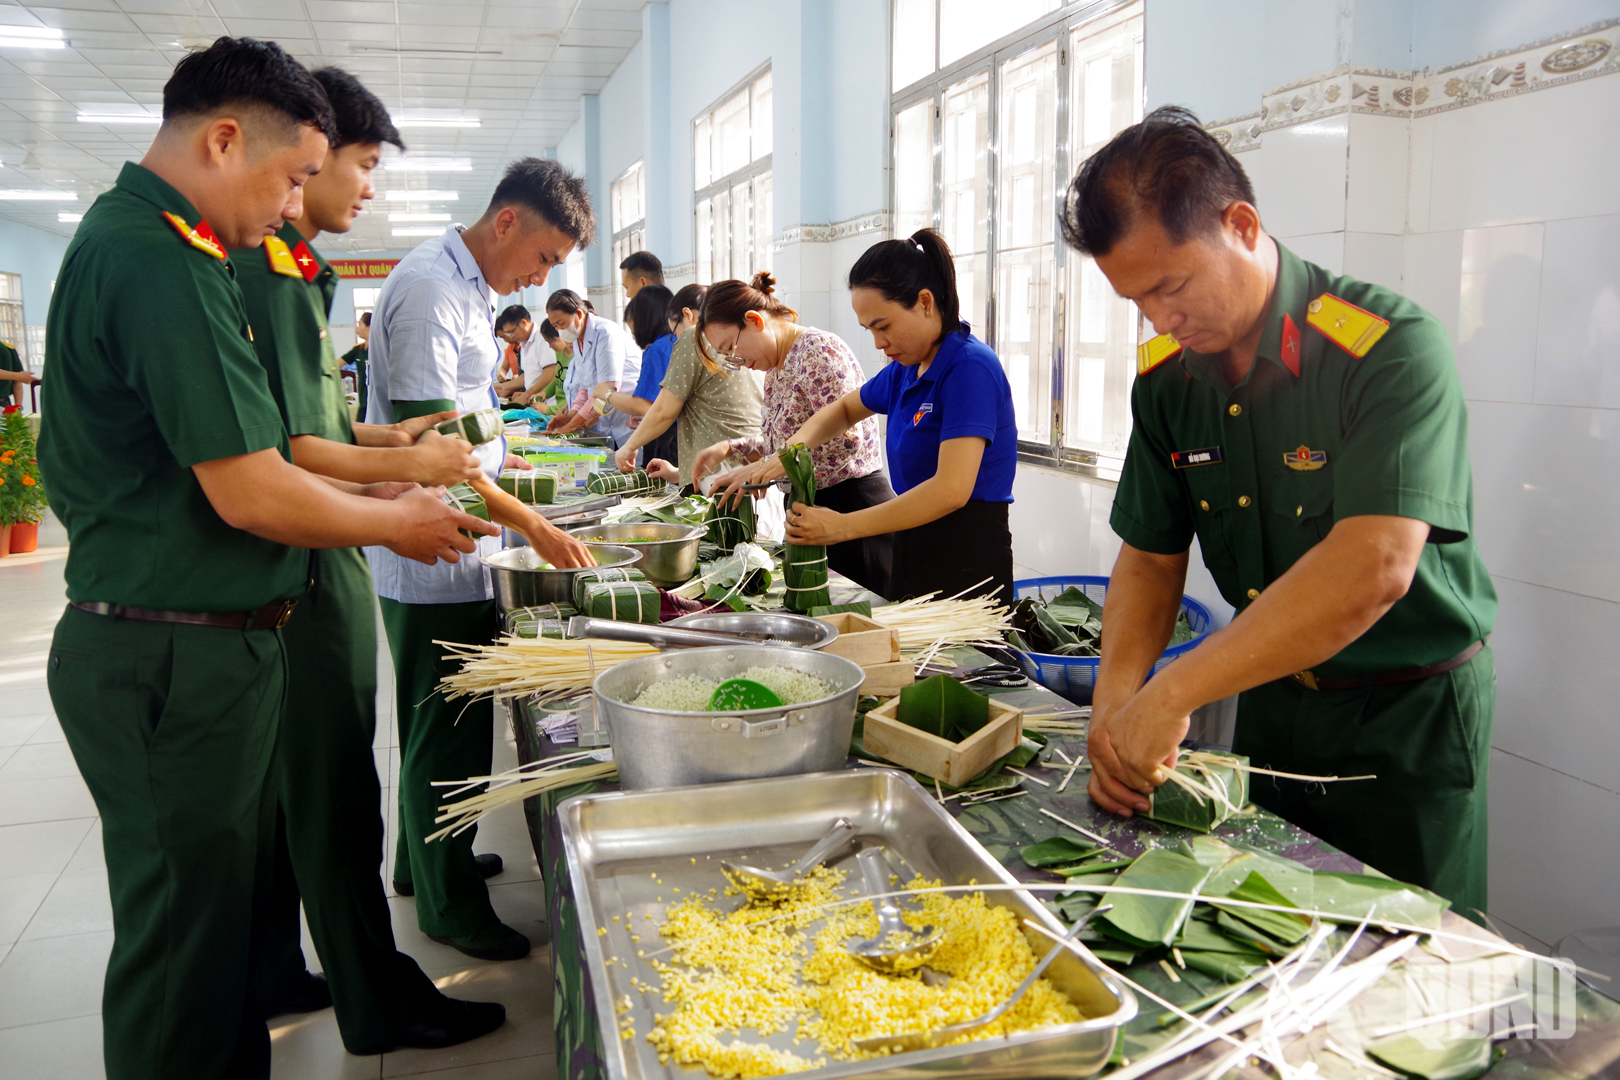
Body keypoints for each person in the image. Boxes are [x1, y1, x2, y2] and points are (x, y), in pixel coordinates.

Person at [38, 37, 496, 1080]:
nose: (290, 206)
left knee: (206, 943)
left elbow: (256, 449)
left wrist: (383, 480)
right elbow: (253, 481)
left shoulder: (157, 247)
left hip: (198, 639)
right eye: (293, 176)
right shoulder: (159, 257)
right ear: (224, 137)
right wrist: (395, 518)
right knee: (182, 967)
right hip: (166, 651)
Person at [1067, 107, 1497, 916]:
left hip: (1404, 719)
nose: (1162, 320)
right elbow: (1152, 557)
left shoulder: (1388, 349)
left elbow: (1374, 567)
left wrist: (1170, 696)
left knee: (1410, 960)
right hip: (1272, 697)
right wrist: (1116, 702)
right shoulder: (1168, 382)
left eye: (1172, 286)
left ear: (1242, 225)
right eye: (1138, 303)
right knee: (1272, 927)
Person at [231, 66, 534, 1055]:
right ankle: (377, 994)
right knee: (335, 795)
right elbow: (276, 455)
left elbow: (314, 429)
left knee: (305, 794)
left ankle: (284, 964)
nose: (366, 189)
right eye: (353, 166)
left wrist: (408, 454)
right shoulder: (272, 269)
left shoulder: (289, 269)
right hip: (309, 568)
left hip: (323, 549)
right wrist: (406, 484)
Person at [366, 158, 597, 963]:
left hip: (462, 537)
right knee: (448, 726)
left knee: (437, 721)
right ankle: (449, 906)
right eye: (540, 259)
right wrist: (529, 524)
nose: (538, 281)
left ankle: (423, 861)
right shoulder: (433, 290)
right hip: (438, 546)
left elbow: (469, 428)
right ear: (506, 223)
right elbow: (435, 452)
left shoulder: (467, 290)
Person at [691, 273, 896, 594]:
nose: (740, 362)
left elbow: (845, 441)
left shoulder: (817, 350)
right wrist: (732, 449)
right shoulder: (776, 369)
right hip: (811, 508)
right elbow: (787, 443)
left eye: (732, 347)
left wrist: (766, 468)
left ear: (754, 320)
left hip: (849, 508)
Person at [612, 284, 757, 489]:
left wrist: (629, 447)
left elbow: (663, 411)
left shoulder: (694, 336)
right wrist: (678, 473)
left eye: (673, 331)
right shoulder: (740, 340)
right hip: (755, 467)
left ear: (687, 314)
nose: (675, 339)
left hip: (722, 477)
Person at [544, 288, 641, 448]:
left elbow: (607, 389)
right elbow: (585, 388)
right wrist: (571, 415)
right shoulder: (577, 340)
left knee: (635, 467)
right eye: (556, 326)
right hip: (606, 423)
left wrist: (572, 425)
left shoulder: (606, 334)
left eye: (561, 323)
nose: (560, 330)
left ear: (579, 314)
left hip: (629, 419)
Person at [601, 283, 678, 467]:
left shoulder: (658, 349)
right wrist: (649, 420)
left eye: (633, 330)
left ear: (645, 320)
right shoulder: (676, 342)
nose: (635, 336)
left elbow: (642, 405)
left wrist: (607, 394)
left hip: (670, 441)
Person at [495, 304, 557, 407]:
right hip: (535, 403)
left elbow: (551, 372)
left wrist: (527, 394)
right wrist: (503, 387)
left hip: (550, 404)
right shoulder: (524, 343)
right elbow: (528, 376)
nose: (511, 337)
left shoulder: (542, 337)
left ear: (524, 323)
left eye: (511, 332)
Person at [340, 310, 370, 419]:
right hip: (364, 401)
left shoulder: (381, 348)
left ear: (369, 327)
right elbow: (335, 365)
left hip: (378, 402)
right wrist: (330, 369)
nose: (357, 328)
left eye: (360, 324)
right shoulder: (358, 349)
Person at [0, 338, 35, 407]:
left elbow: (17, 382)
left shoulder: (8, 349)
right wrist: (17, 376)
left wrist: (18, 407)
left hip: (4, 404)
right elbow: (19, 377)